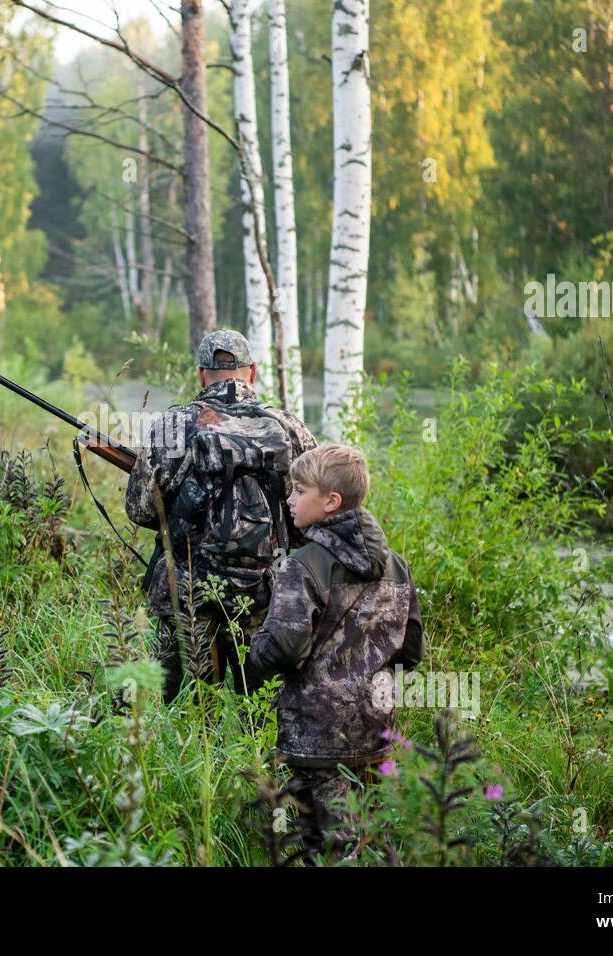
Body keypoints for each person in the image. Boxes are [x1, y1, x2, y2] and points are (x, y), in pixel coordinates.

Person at [243, 443, 424, 862]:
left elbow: (285, 647)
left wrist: (252, 653)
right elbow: (411, 650)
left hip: (315, 740)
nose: (288, 499)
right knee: (374, 842)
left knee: (325, 847)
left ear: (331, 502)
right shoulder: (397, 565)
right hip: (377, 734)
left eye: (298, 490)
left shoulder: (302, 565)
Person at [123, 330, 317, 704]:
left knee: (186, 712)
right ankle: (262, 763)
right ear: (253, 373)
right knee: (263, 711)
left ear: (200, 375)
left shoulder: (176, 424)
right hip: (266, 596)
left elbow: (140, 510)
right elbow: (314, 517)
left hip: (189, 594)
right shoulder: (288, 427)